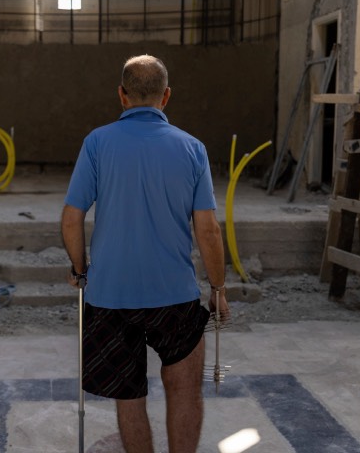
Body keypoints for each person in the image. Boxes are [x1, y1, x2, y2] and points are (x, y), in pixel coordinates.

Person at [61, 54, 229, 453]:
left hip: (110, 296)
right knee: (185, 391)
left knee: (130, 397)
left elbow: (71, 219)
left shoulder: (97, 143)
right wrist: (218, 287)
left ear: (122, 96)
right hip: (174, 294)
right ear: (166, 96)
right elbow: (207, 229)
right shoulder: (192, 149)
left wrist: (80, 269)